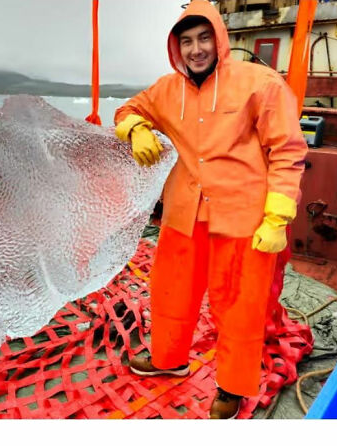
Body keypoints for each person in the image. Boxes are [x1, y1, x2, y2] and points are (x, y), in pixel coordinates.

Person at [114, 0, 307, 419]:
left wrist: (277, 217)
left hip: (243, 219)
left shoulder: (262, 83)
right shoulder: (166, 89)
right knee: (169, 294)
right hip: (184, 215)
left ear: (219, 39)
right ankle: (168, 359)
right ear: (176, 47)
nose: (196, 49)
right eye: (186, 41)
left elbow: (287, 151)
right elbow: (126, 109)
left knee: (238, 307)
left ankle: (232, 387)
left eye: (204, 38)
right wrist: (136, 128)